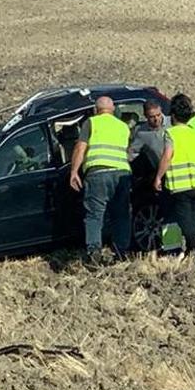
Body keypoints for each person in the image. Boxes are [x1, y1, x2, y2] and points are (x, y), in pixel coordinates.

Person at [69, 96, 132, 264]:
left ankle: (94, 252)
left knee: (94, 215)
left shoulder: (91, 123)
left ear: (96, 110)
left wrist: (74, 171)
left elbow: (80, 147)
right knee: (121, 214)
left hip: (98, 172)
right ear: (113, 110)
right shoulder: (124, 127)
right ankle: (121, 252)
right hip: (122, 173)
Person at [155, 94, 195, 256]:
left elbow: (167, 156)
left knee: (185, 220)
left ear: (172, 116)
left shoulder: (171, 134)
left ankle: (194, 248)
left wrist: (159, 177)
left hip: (178, 185)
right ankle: (193, 248)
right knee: (191, 216)